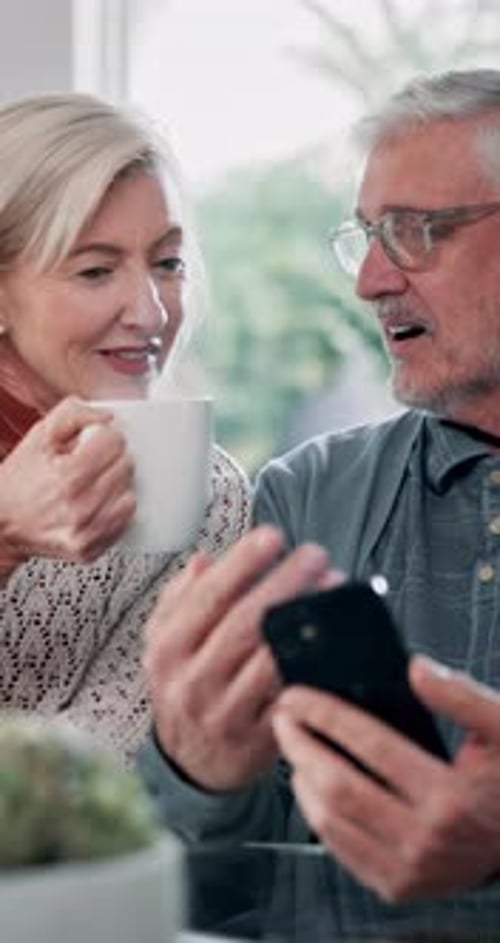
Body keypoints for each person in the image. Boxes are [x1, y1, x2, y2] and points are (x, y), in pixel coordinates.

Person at [138, 68, 500, 932]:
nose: (370, 280)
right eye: (368, 235)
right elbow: (208, 899)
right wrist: (199, 772)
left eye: (414, 231)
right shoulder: (304, 499)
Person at [0, 92, 250, 765]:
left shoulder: (206, 489)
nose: (150, 312)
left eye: (167, 263)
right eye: (96, 270)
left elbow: (107, 772)